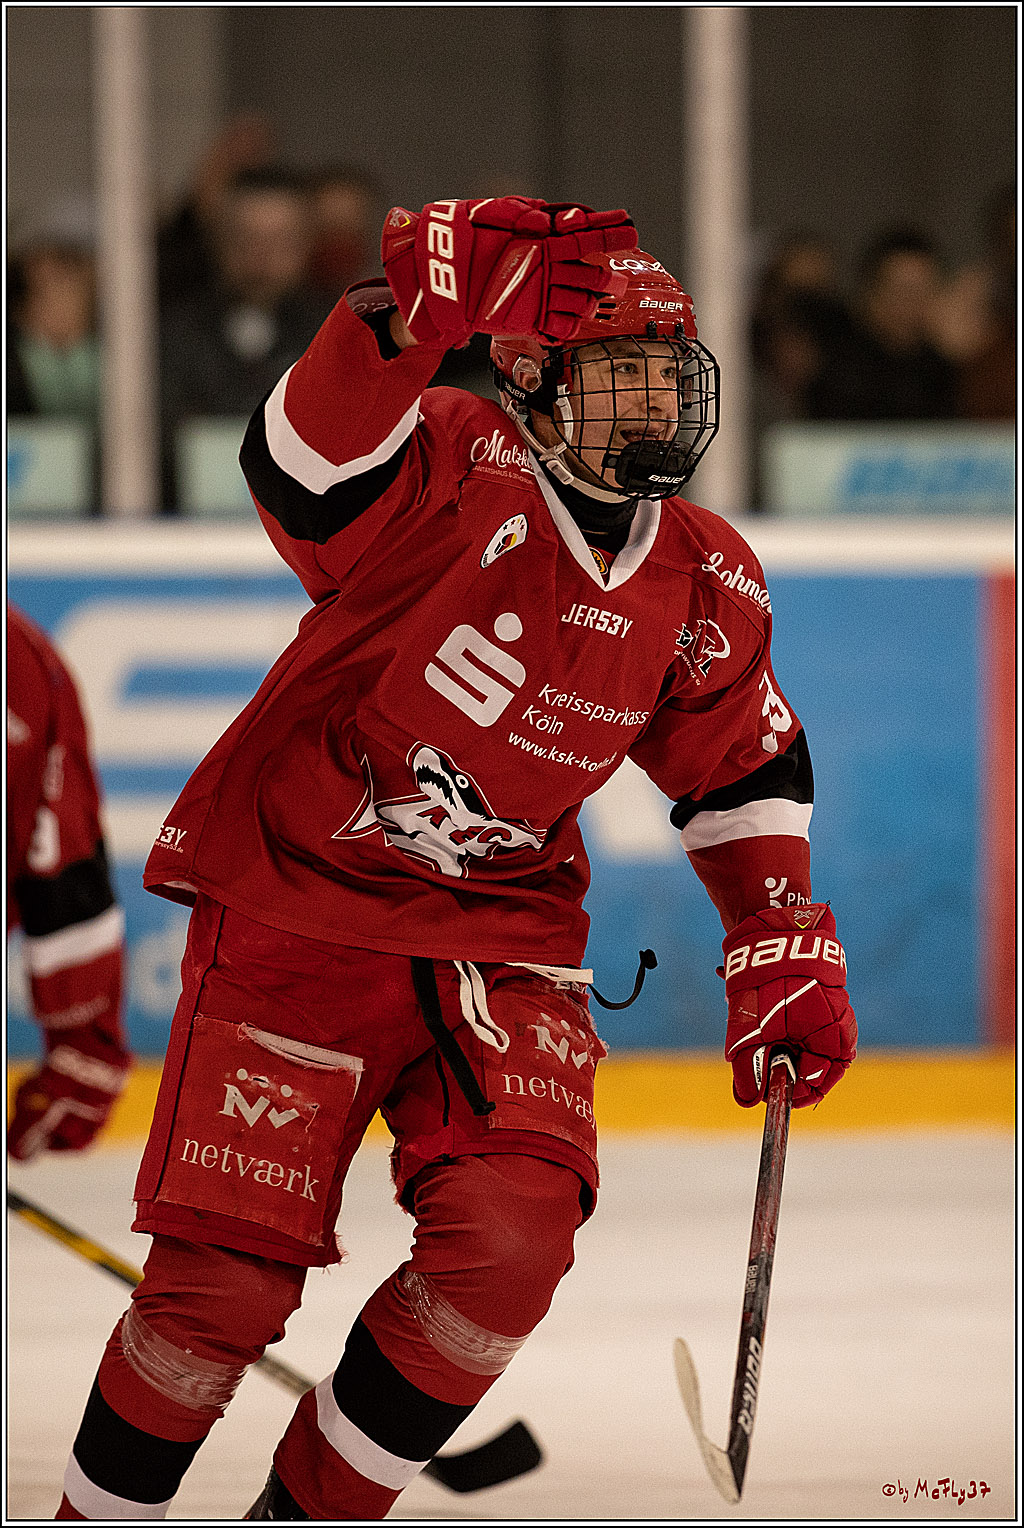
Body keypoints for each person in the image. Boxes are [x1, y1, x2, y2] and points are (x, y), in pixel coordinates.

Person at [54, 196, 856, 1521]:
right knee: (220, 1296)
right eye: (623, 370)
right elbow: (300, 467)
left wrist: (775, 928)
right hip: (297, 913)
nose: (660, 399)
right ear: (533, 377)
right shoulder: (450, 458)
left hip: (502, 941)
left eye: (671, 369)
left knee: (510, 1248)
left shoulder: (707, 573)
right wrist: (400, 321)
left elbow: (740, 764)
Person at [7, 604, 131, 1163]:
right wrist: (85, 1049)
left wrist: (84, 1046)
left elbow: (59, 855)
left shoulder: (20, 663)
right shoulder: (21, 657)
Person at [159, 166, 332, 509]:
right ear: (218, 239)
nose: (261, 254)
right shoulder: (173, 333)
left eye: (280, 240)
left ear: (306, 244)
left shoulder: (336, 335)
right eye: (246, 237)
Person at [804, 227, 956, 421]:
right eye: (903, 291)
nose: (914, 304)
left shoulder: (946, 368)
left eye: (924, 291)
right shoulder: (839, 373)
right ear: (871, 294)